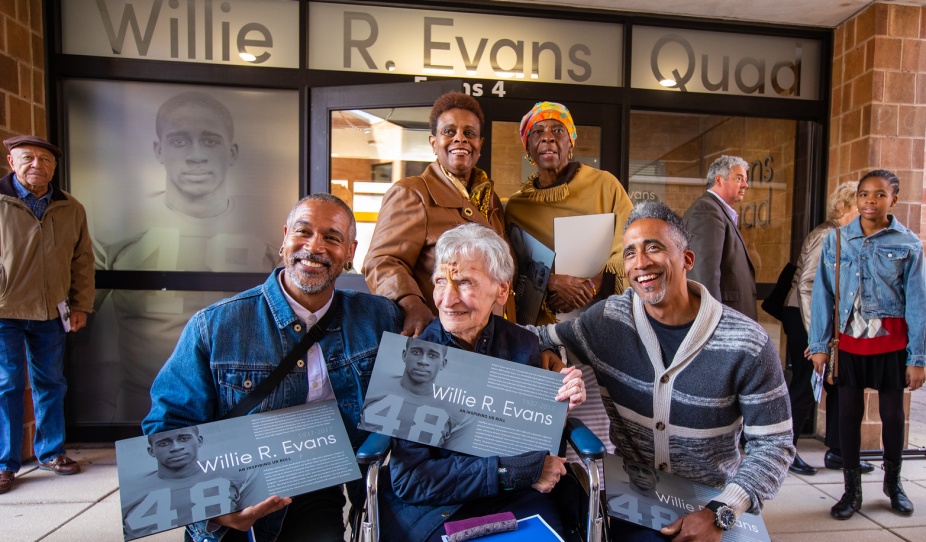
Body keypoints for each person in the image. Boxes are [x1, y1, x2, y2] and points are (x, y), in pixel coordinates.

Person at [142, 193, 403, 542]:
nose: (314, 247)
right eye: (303, 232)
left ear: (350, 251)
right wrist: (214, 507)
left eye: (332, 237)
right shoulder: (215, 326)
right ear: (284, 239)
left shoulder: (377, 317)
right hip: (231, 490)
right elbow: (166, 428)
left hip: (314, 487)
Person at [531, 201, 794, 542]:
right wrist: (549, 350)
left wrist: (721, 513)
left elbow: (775, 444)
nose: (640, 263)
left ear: (687, 260)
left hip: (714, 496)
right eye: (629, 253)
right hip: (636, 496)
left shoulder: (746, 342)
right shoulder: (609, 321)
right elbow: (534, 337)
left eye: (653, 247)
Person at [380, 223, 587, 542]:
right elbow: (412, 480)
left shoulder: (524, 345)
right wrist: (512, 471)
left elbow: (537, 452)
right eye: (440, 282)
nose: (447, 299)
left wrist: (558, 408)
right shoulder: (413, 360)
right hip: (442, 505)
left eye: (463, 282)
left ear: (501, 290)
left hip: (517, 496)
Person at [94, 91, 280, 421]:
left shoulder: (272, 230)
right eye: (180, 141)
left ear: (232, 151)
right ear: (159, 150)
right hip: (145, 405)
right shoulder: (114, 225)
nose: (196, 156)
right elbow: (81, 326)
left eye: (210, 141)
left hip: (244, 402)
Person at [809, 170, 926, 520]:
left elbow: (918, 301)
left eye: (878, 195)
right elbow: (822, 293)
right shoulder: (838, 239)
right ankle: (851, 491)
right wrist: (818, 344)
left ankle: (894, 484)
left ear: (894, 199)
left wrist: (917, 357)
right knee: (848, 415)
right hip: (848, 344)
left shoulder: (908, 243)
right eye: (863, 194)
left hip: (891, 343)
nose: (869, 201)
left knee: (892, 416)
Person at [363, 91, 511, 337]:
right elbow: (381, 261)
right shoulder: (412, 193)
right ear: (434, 142)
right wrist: (411, 303)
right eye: (449, 132)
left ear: (480, 144)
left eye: (469, 133)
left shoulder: (490, 199)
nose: (460, 139)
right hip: (444, 337)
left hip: (494, 337)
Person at [0, 135, 94, 494]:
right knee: (7, 384)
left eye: (45, 159)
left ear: (54, 167)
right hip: (4, 309)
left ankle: (51, 452)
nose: (36, 165)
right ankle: (5, 463)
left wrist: (81, 304)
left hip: (52, 310)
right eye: (27, 158)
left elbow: (82, 259)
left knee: (51, 382)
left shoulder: (70, 207)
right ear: (12, 162)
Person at [505, 101, 633, 323]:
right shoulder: (517, 207)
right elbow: (512, 266)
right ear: (528, 149)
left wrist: (591, 286)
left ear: (570, 141)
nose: (548, 137)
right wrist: (551, 282)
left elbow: (631, 244)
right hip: (541, 325)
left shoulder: (605, 185)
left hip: (598, 317)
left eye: (557, 130)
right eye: (538, 132)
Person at [781, 182, 874, 476]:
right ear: (845, 207)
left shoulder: (845, 235)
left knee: (838, 380)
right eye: (859, 208)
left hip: (829, 319)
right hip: (805, 316)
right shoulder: (827, 235)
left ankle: (838, 451)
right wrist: (816, 337)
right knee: (809, 381)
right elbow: (807, 286)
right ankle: (785, 452)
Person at [121, 426, 259, 539]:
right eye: (164, 443)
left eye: (184, 439)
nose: (176, 448)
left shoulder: (236, 473)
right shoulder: (133, 493)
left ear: (199, 441)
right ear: (151, 451)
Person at [683, 155, 757, 320]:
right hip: (723, 320)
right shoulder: (707, 211)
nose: (745, 185)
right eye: (739, 179)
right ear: (719, 180)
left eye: (745, 179)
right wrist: (713, 322)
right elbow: (704, 274)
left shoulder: (718, 211)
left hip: (732, 316)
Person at [360, 336, 470, 446]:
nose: (423, 361)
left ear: (443, 363)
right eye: (416, 352)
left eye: (432, 356)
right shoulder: (374, 386)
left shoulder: (455, 406)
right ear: (404, 355)